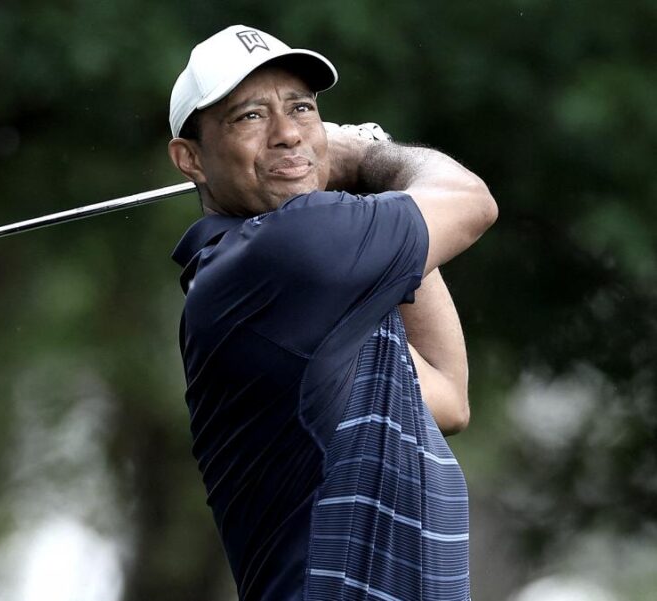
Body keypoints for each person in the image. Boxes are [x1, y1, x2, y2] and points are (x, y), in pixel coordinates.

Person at [166, 25, 497, 600]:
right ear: (190, 158)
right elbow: (471, 202)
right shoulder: (280, 253)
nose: (288, 134)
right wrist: (368, 155)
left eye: (302, 109)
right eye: (250, 116)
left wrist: (382, 219)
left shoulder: (304, 291)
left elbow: (448, 397)